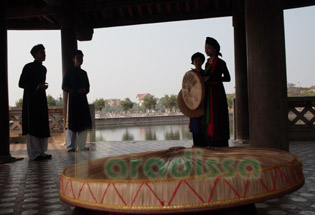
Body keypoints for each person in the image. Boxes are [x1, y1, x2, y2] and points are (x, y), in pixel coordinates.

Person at [18, 44, 52, 161]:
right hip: (31, 100)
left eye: (44, 52)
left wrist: (42, 86)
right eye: (42, 52)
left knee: (42, 124)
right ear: (35, 54)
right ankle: (34, 154)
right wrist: (37, 86)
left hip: (41, 99)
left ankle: (42, 152)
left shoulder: (43, 69)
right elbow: (21, 83)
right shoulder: (28, 67)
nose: (44, 54)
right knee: (33, 126)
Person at [203, 37, 231, 147]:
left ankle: (220, 140)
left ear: (215, 49)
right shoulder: (206, 64)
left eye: (208, 48)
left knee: (218, 116)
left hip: (217, 93)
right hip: (208, 93)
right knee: (209, 116)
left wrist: (213, 78)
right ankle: (210, 140)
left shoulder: (221, 63)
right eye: (205, 48)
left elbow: (228, 78)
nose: (206, 50)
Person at [62, 50, 92, 152]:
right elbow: (64, 86)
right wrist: (75, 90)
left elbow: (88, 87)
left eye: (82, 57)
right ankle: (70, 146)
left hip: (82, 100)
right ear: (73, 59)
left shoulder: (84, 73)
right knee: (72, 123)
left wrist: (84, 90)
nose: (80, 59)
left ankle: (82, 146)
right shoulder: (69, 72)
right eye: (78, 57)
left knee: (83, 124)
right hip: (73, 100)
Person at [189, 52, 206, 147]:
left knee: (204, 124)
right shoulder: (190, 74)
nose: (198, 62)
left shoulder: (205, 73)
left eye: (200, 60)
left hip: (204, 102)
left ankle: (204, 144)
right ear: (193, 62)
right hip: (194, 103)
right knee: (195, 124)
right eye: (196, 61)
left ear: (202, 62)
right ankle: (196, 144)